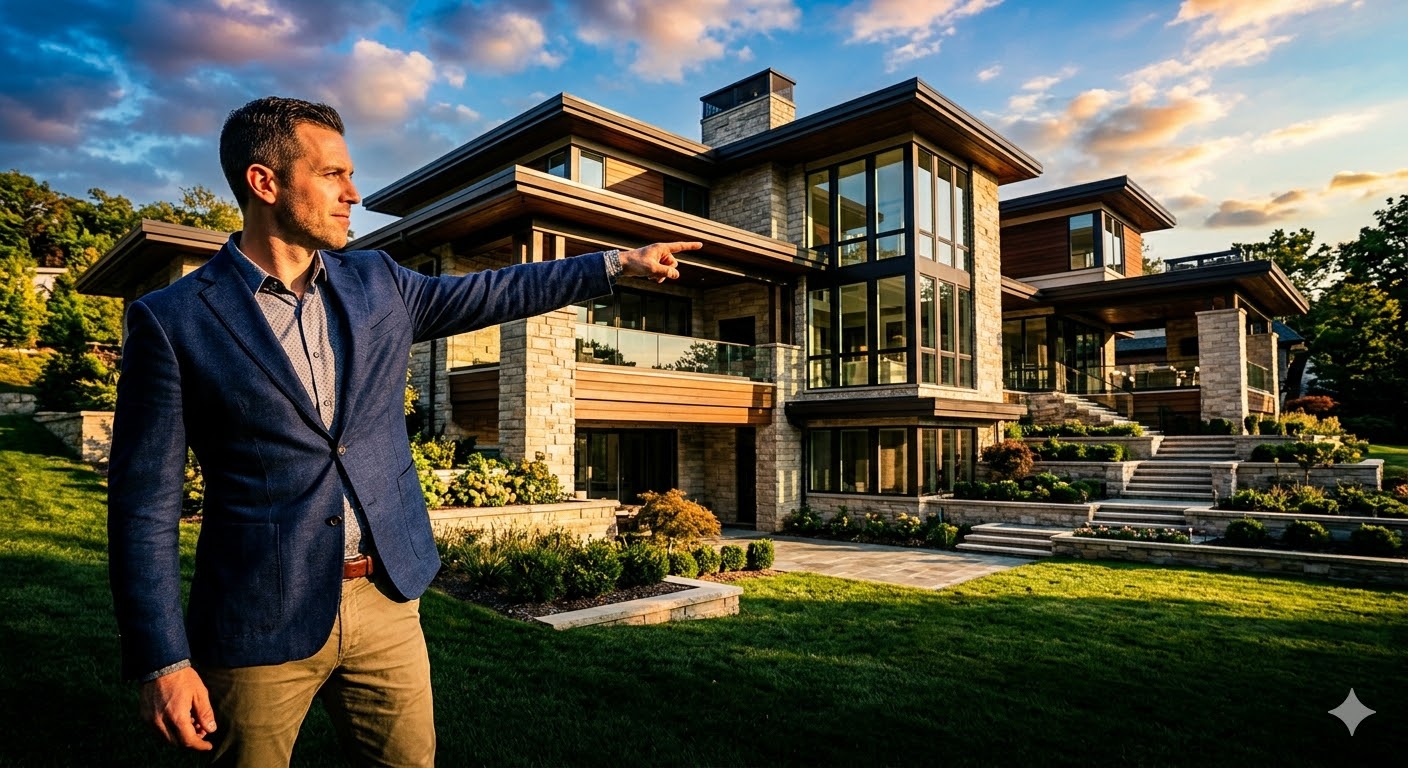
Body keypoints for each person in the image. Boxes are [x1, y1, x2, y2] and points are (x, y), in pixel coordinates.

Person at [106, 96, 699, 766]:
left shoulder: (379, 282)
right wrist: (162, 661)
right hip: (255, 620)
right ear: (264, 182)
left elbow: (497, 292)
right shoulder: (173, 319)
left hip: (387, 601)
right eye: (332, 175)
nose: (352, 193)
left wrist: (615, 265)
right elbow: (143, 506)